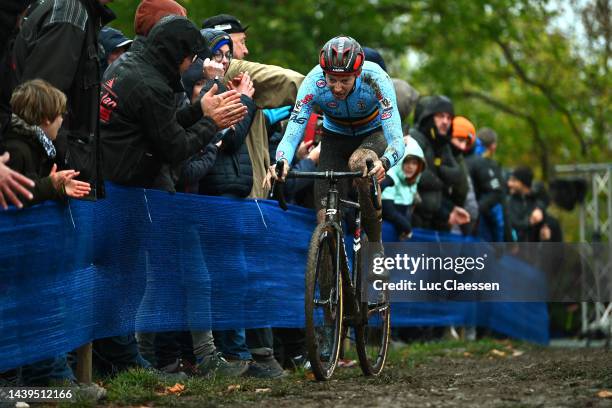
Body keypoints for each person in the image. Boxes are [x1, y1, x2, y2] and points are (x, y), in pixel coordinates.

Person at [266, 35, 405, 268]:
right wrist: (281, 161)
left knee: (360, 163)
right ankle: (332, 286)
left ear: (357, 74)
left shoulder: (376, 79)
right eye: (332, 80)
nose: (338, 87)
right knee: (324, 214)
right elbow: (293, 131)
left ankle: (374, 247)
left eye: (345, 80)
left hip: (372, 134)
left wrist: (386, 161)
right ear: (324, 74)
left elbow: (397, 139)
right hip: (334, 137)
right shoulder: (313, 82)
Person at [13, 0, 116, 199]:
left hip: (57, 175)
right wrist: (66, 164)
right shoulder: (70, 14)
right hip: (55, 176)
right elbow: (39, 103)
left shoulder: (76, 12)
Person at [4, 79, 91, 205]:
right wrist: (51, 185)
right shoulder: (16, 150)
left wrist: (58, 188)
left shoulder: (37, 145)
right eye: (61, 114)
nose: (62, 120)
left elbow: (37, 188)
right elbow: (15, 194)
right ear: (46, 119)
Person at [409, 95, 469, 231]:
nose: (445, 122)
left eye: (449, 118)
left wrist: (450, 210)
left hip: (433, 222)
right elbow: (417, 182)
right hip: (412, 220)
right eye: (440, 116)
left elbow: (454, 175)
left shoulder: (443, 145)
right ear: (429, 117)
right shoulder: (415, 139)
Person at [381, 136, 426, 240]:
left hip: (399, 232)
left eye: (414, 163)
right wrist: (406, 226)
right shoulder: (390, 177)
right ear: (400, 161)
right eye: (407, 161)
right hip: (385, 232)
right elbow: (388, 210)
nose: (410, 166)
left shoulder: (413, 181)